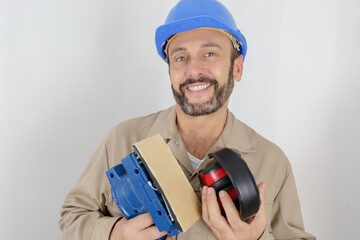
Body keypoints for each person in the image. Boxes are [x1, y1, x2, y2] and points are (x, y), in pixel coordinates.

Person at [59, 0, 316, 239]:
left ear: (237, 68)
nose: (193, 70)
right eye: (181, 58)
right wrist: (115, 234)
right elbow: (72, 217)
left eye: (210, 54)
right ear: (171, 70)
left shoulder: (273, 162)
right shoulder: (122, 139)